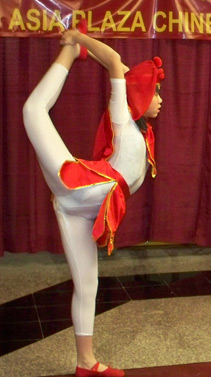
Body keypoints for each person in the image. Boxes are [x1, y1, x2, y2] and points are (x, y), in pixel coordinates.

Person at [22, 23, 164, 377]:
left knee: (88, 284)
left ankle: (86, 363)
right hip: (76, 185)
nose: (161, 100)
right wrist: (77, 39)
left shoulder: (142, 132)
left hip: (80, 210)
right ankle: (68, 53)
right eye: (157, 93)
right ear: (142, 96)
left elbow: (124, 71)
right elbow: (115, 61)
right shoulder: (122, 117)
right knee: (33, 111)